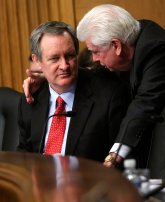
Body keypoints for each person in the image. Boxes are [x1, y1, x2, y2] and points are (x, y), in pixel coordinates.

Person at [23, 4, 165, 168]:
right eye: (54, 59)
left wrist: (113, 156)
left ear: (116, 45)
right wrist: (47, 77)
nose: (93, 59)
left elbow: (144, 106)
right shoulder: (134, 41)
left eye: (95, 51)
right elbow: (91, 72)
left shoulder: (157, 49)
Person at [17, 21, 130, 163]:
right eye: (55, 58)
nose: (64, 66)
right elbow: (24, 154)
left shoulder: (109, 95)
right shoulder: (31, 98)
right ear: (37, 60)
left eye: (70, 56)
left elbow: (122, 161)